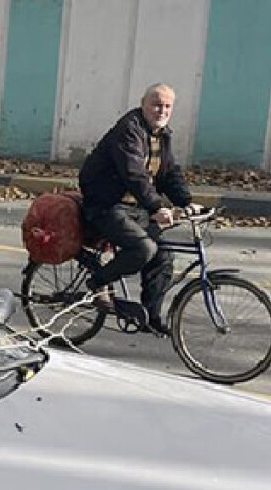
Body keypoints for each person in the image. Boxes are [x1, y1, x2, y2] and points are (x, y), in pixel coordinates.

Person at [78, 83, 200, 335]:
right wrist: (156, 206)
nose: (162, 110)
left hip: (134, 208)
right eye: (156, 104)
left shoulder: (161, 134)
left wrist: (186, 202)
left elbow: (168, 173)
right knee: (143, 248)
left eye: (167, 106)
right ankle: (98, 280)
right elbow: (135, 174)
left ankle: (150, 316)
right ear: (143, 104)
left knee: (163, 256)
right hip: (106, 205)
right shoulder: (129, 130)